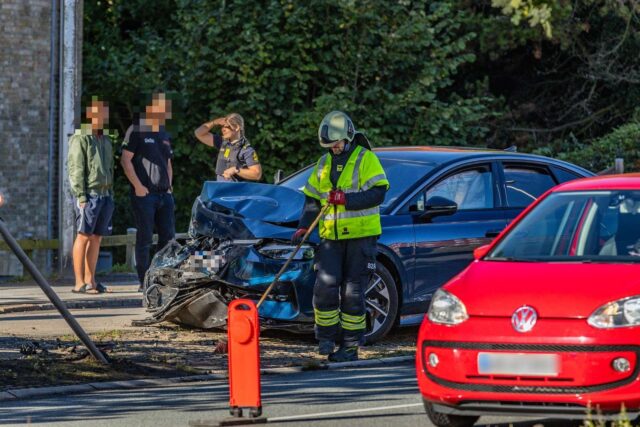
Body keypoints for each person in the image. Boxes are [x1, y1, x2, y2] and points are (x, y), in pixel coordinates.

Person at [293, 111, 389, 362]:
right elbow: (313, 198)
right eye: (329, 145)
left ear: (348, 136)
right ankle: (325, 339)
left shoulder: (366, 159)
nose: (333, 148)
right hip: (330, 237)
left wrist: (347, 200)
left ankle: (350, 346)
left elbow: (378, 194)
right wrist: (305, 226)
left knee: (352, 291)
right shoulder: (323, 163)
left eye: (336, 143)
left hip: (361, 237)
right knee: (324, 287)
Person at [121, 92, 175, 290]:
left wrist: (169, 187)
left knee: (168, 238)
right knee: (144, 238)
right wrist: (138, 186)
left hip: (164, 194)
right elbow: (126, 159)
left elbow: (168, 162)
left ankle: (160, 278)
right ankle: (143, 280)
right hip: (145, 195)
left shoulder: (163, 132)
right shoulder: (137, 129)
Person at [67, 97, 114, 294]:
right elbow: (76, 168)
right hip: (89, 194)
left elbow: (109, 168)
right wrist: (81, 195)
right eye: (98, 113)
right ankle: (79, 282)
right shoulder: (81, 137)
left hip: (105, 193)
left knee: (96, 238)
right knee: (83, 236)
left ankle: (91, 279)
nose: (103, 116)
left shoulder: (105, 139)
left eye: (105, 113)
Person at [194, 113, 262, 181]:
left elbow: (257, 174)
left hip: (236, 190)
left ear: (237, 127)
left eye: (226, 126)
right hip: (221, 190)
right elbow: (199, 133)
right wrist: (214, 122)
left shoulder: (246, 150)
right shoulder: (222, 142)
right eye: (222, 127)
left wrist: (236, 170)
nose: (223, 129)